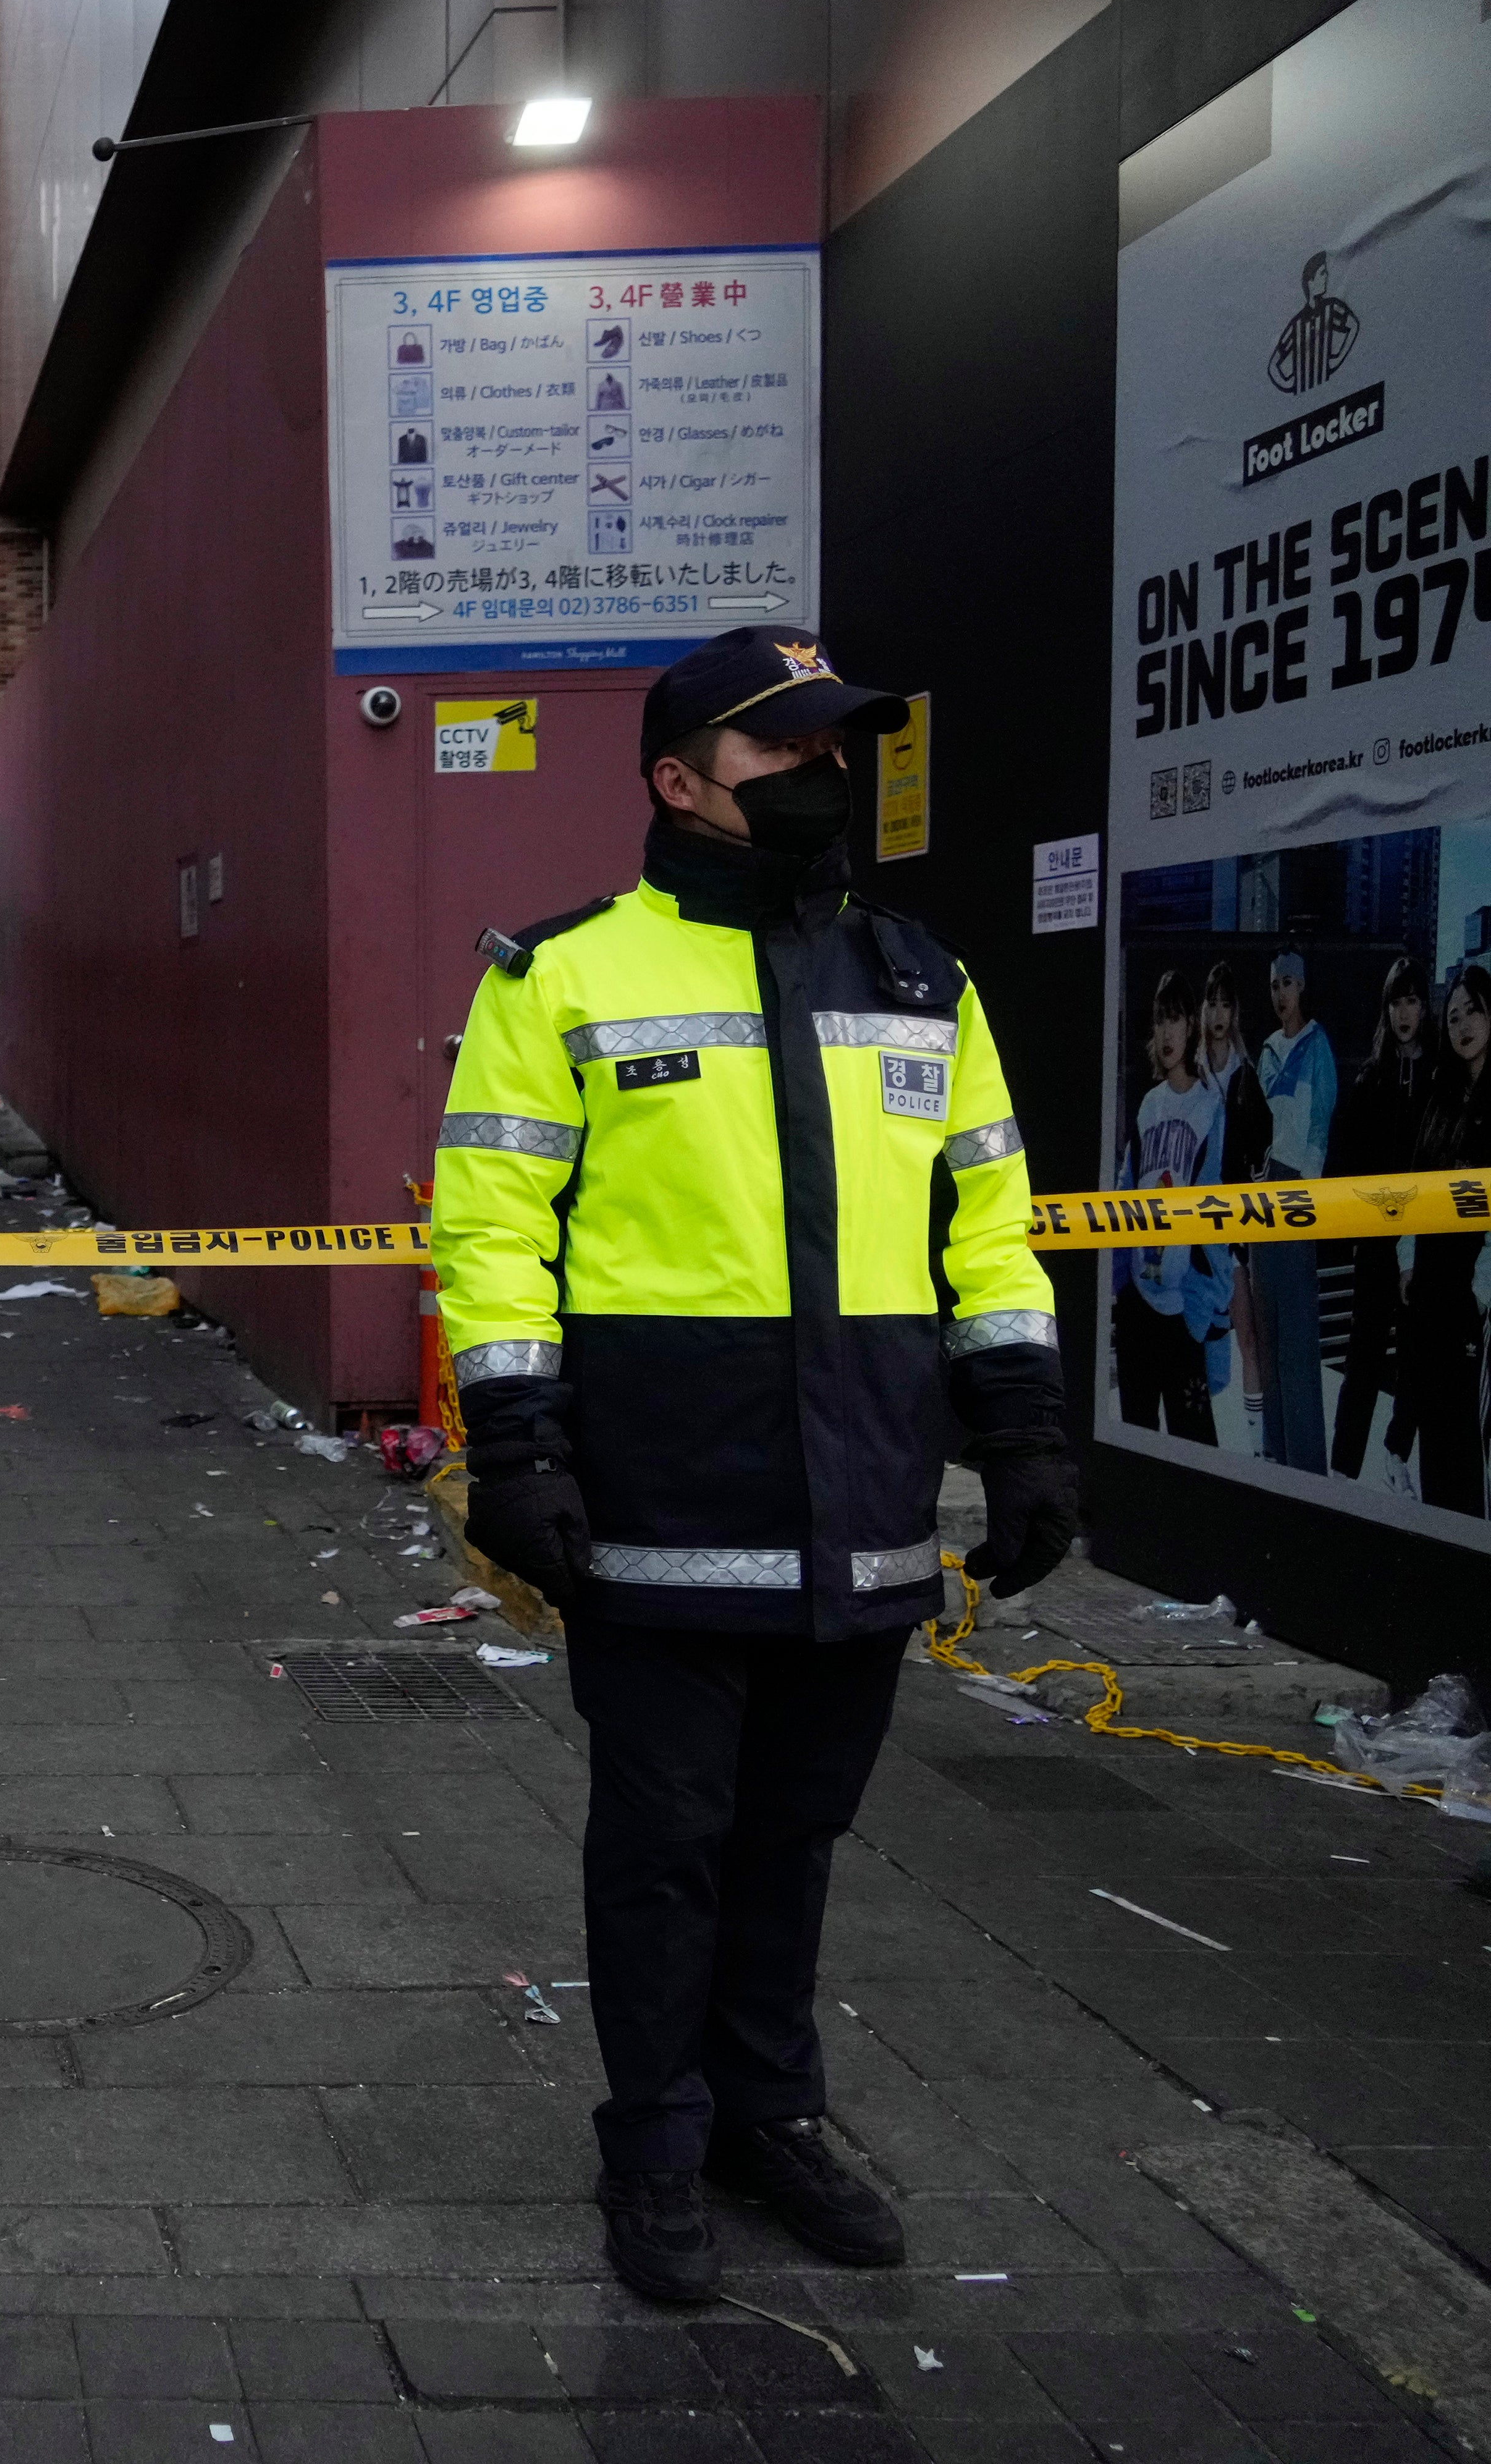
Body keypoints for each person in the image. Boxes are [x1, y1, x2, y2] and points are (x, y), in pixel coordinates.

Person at [433, 626, 1079, 2307]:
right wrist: (514, 1449)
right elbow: (492, 1233)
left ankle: (766, 2121)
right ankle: (653, 2143)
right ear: (676, 782)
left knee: (794, 1843)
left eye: (835, 752)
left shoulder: (925, 981)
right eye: (784, 754)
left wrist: (1020, 1439)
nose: (825, 780)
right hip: (656, 1512)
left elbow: (990, 1229)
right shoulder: (561, 977)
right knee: (662, 1849)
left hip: (859, 1511)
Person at [1115, 969, 1231, 1442]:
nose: (1166, 1032)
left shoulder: (1210, 1107)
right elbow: (1123, 1198)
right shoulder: (1148, 1107)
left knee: (1197, 1451)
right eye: (1160, 1021)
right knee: (1136, 1445)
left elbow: (1220, 1214)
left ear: (1192, 1027)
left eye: (1176, 1019)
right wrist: (1121, 1284)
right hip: (1139, 1306)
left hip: (1186, 1309)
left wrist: (1203, 1309)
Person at [1330, 955, 1433, 1480]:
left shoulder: (1440, 1075)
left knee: (1416, 1361)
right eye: (1396, 1001)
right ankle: (1342, 1472)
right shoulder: (1371, 1079)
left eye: (1412, 1000)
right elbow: (1347, 1163)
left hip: (1427, 1244)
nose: (1404, 1012)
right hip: (1376, 1244)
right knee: (1362, 1362)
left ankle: (1397, 1458)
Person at [1396, 963, 1491, 1517]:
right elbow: (1413, 1188)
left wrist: (1481, 1290)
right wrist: (1408, 1259)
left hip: (1473, 1303)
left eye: (1474, 1010)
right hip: (1432, 1295)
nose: (1463, 1025)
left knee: (1467, 1448)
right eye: (1453, 1016)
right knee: (1436, 1446)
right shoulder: (1442, 1097)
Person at [1252, 947, 1338, 1471]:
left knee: (1297, 1338)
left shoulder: (1317, 1046)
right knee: (1268, 1331)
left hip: (1299, 1193)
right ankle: (1277, 1456)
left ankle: (1307, 1465)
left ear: (1302, 986)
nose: (1280, 994)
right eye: (1274, 985)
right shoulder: (1265, 1052)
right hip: (1263, 1192)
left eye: (1287, 983)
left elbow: (1319, 1128)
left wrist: (1304, 1195)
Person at [1199, 960, 1278, 1450]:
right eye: (1214, 1002)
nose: (1220, 1013)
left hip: (1237, 1225)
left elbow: (1261, 1153)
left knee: (1247, 1337)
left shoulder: (1248, 1075)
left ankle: (1254, 1444)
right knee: (1199, 1339)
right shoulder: (1190, 1070)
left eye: (1228, 1003)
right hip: (1194, 1223)